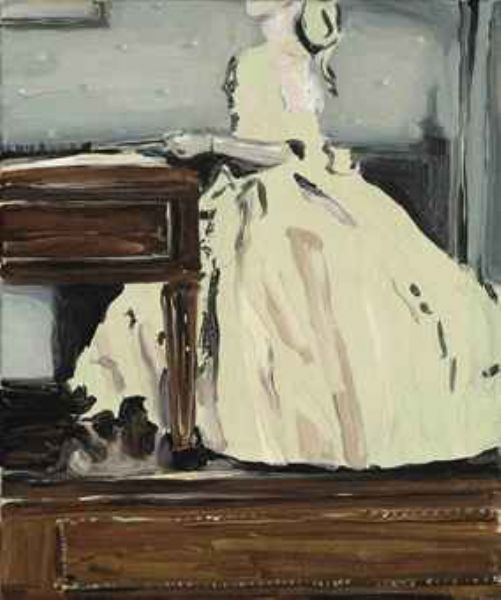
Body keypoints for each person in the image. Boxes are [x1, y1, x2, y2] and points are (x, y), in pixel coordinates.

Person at [75, 0, 501, 470]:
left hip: (284, 196)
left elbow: (293, 151)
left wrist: (210, 143)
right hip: (247, 189)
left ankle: (291, 434)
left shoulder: (280, 60)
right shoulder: (264, 59)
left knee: (287, 297)